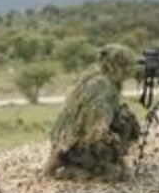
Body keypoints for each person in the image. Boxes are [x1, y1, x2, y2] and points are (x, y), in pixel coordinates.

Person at [43, 43, 142, 181]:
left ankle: (69, 163)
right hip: (74, 145)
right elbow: (96, 129)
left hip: (67, 143)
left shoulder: (95, 78)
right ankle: (75, 167)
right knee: (125, 123)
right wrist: (116, 150)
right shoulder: (102, 86)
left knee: (122, 120)